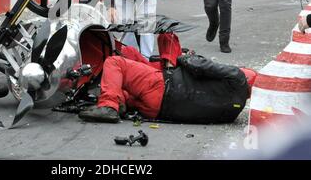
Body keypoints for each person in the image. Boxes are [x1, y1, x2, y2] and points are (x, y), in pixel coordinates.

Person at [79, 33, 257, 123]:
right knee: (129, 88)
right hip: (156, 111)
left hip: (161, 86)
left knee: (115, 62)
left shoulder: (237, 77)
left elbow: (199, 66)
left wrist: (185, 57)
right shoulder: (233, 113)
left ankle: (109, 105)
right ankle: (121, 101)